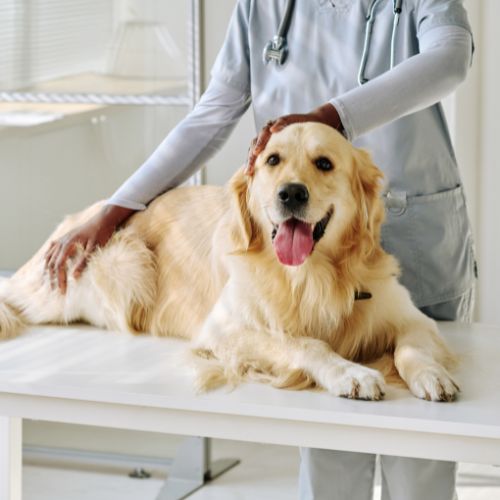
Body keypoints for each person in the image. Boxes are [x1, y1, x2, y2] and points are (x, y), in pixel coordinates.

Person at [45, 1, 476, 498]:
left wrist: (333, 117)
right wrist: (117, 208)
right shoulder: (261, 6)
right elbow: (213, 112)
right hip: (305, 259)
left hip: (412, 234)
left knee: (421, 448)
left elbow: (450, 56)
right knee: (330, 441)